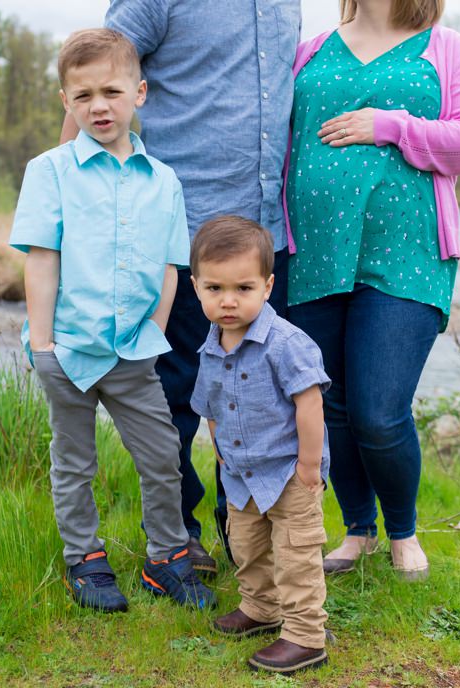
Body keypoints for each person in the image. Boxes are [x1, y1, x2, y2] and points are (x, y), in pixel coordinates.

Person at [60, 1, 303, 579]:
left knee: (260, 397)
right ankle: (176, 537)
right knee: (169, 399)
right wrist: (73, 200)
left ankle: (248, 534)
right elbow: (94, 80)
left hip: (267, 238)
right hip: (178, 237)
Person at [284, 0, 460, 580]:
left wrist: (390, 125)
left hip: (407, 254)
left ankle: (403, 529)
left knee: (379, 410)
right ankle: (357, 532)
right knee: (331, 405)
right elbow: (284, 148)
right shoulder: (312, 51)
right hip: (315, 251)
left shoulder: (444, 48)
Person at [12, 28, 215, 613]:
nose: (98, 106)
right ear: (66, 103)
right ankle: (86, 559)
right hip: (69, 349)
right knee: (73, 461)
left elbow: (172, 269)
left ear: (140, 93)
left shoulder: (165, 181)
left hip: (132, 352)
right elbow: (42, 260)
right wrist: (43, 344)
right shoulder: (49, 171)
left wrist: (151, 332)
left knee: (162, 456)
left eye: (111, 91)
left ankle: (167, 559)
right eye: (82, 96)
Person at [189, 216, 332, 674]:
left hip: (289, 471)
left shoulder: (285, 344)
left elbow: (310, 405)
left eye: (243, 289)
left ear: (268, 286)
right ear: (196, 287)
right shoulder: (209, 347)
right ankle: (261, 607)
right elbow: (209, 407)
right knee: (247, 546)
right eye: (215, 289)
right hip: (240, 474)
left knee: (295, 553)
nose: (228, 301)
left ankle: (306, 635)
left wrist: (309, 465)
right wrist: (219, 452)